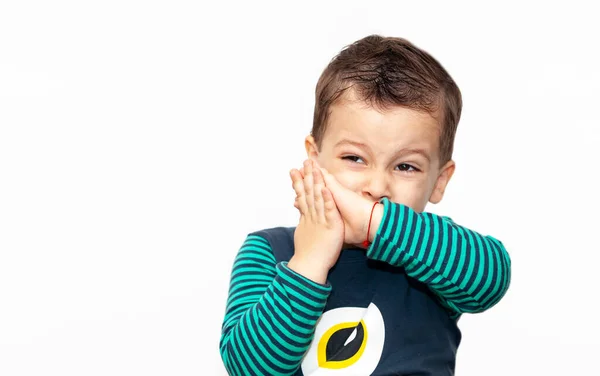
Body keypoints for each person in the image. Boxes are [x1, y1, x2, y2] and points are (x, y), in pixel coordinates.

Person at [219, 34, 511, 376]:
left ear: (439, 181)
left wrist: (375, 223)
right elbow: (249, 369)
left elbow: (491, 279)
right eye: (354, 158)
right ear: (315, 159)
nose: (376, 187)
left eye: (406, 166)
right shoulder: (269, 250)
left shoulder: (433, 252)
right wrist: (310, 260)